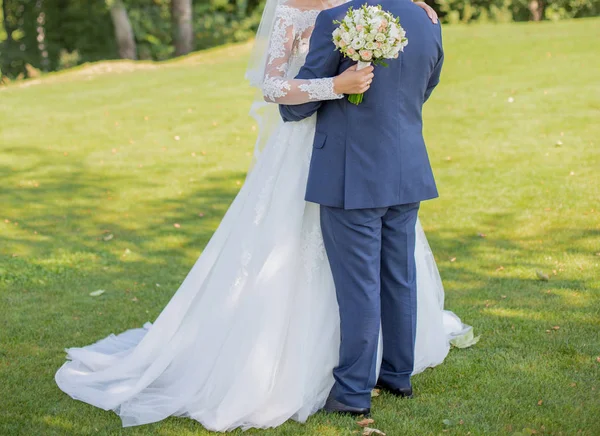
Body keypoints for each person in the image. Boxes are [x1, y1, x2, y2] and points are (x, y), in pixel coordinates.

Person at [55, 0, 471, 431]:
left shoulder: (344, 17)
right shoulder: (420, 18)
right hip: (398, 167)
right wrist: (349, 90)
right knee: (397, 273)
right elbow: (423, 83)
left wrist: (341, 87)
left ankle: (351, 393)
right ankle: (396, 376)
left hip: (348, 168)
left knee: (360, 282)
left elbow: (295, 108)